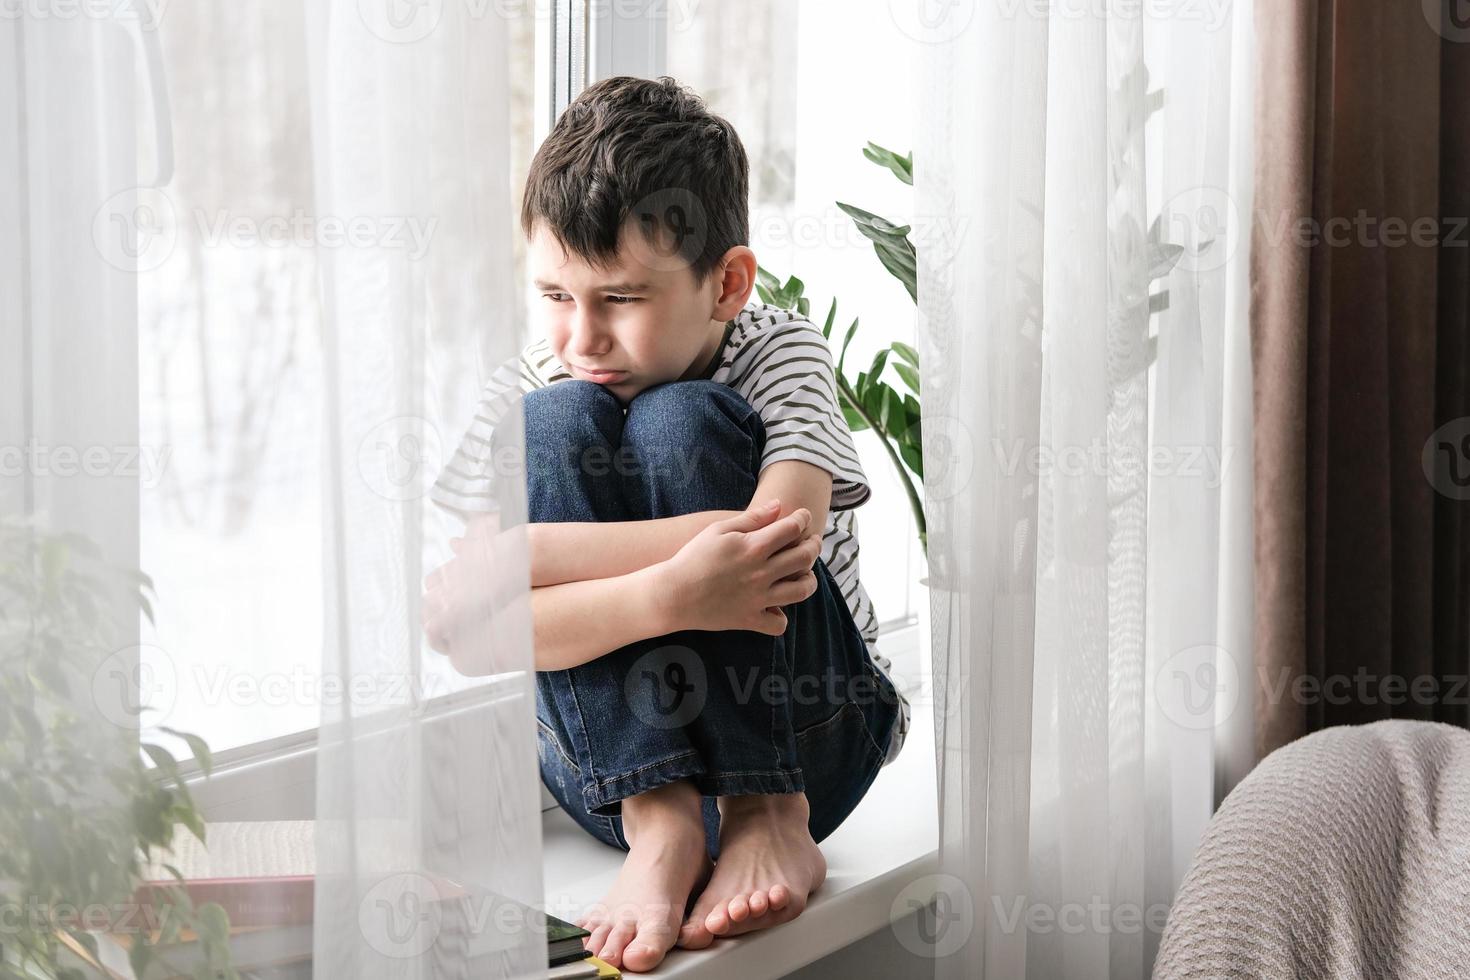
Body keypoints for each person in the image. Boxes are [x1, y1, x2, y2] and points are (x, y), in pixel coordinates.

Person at [421, 75, 909, 974]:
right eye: (557, 296)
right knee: (556, 419)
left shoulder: (778, 345)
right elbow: (466, 635)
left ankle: (764, 817)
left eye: (621, 299)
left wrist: (524, 555)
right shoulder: (541, 375)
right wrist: (666, 592)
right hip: (612, 778)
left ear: (726, 284)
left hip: (809, 748)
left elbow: (781, 543)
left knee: (680, 420)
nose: (581, 339)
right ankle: (663, 826)